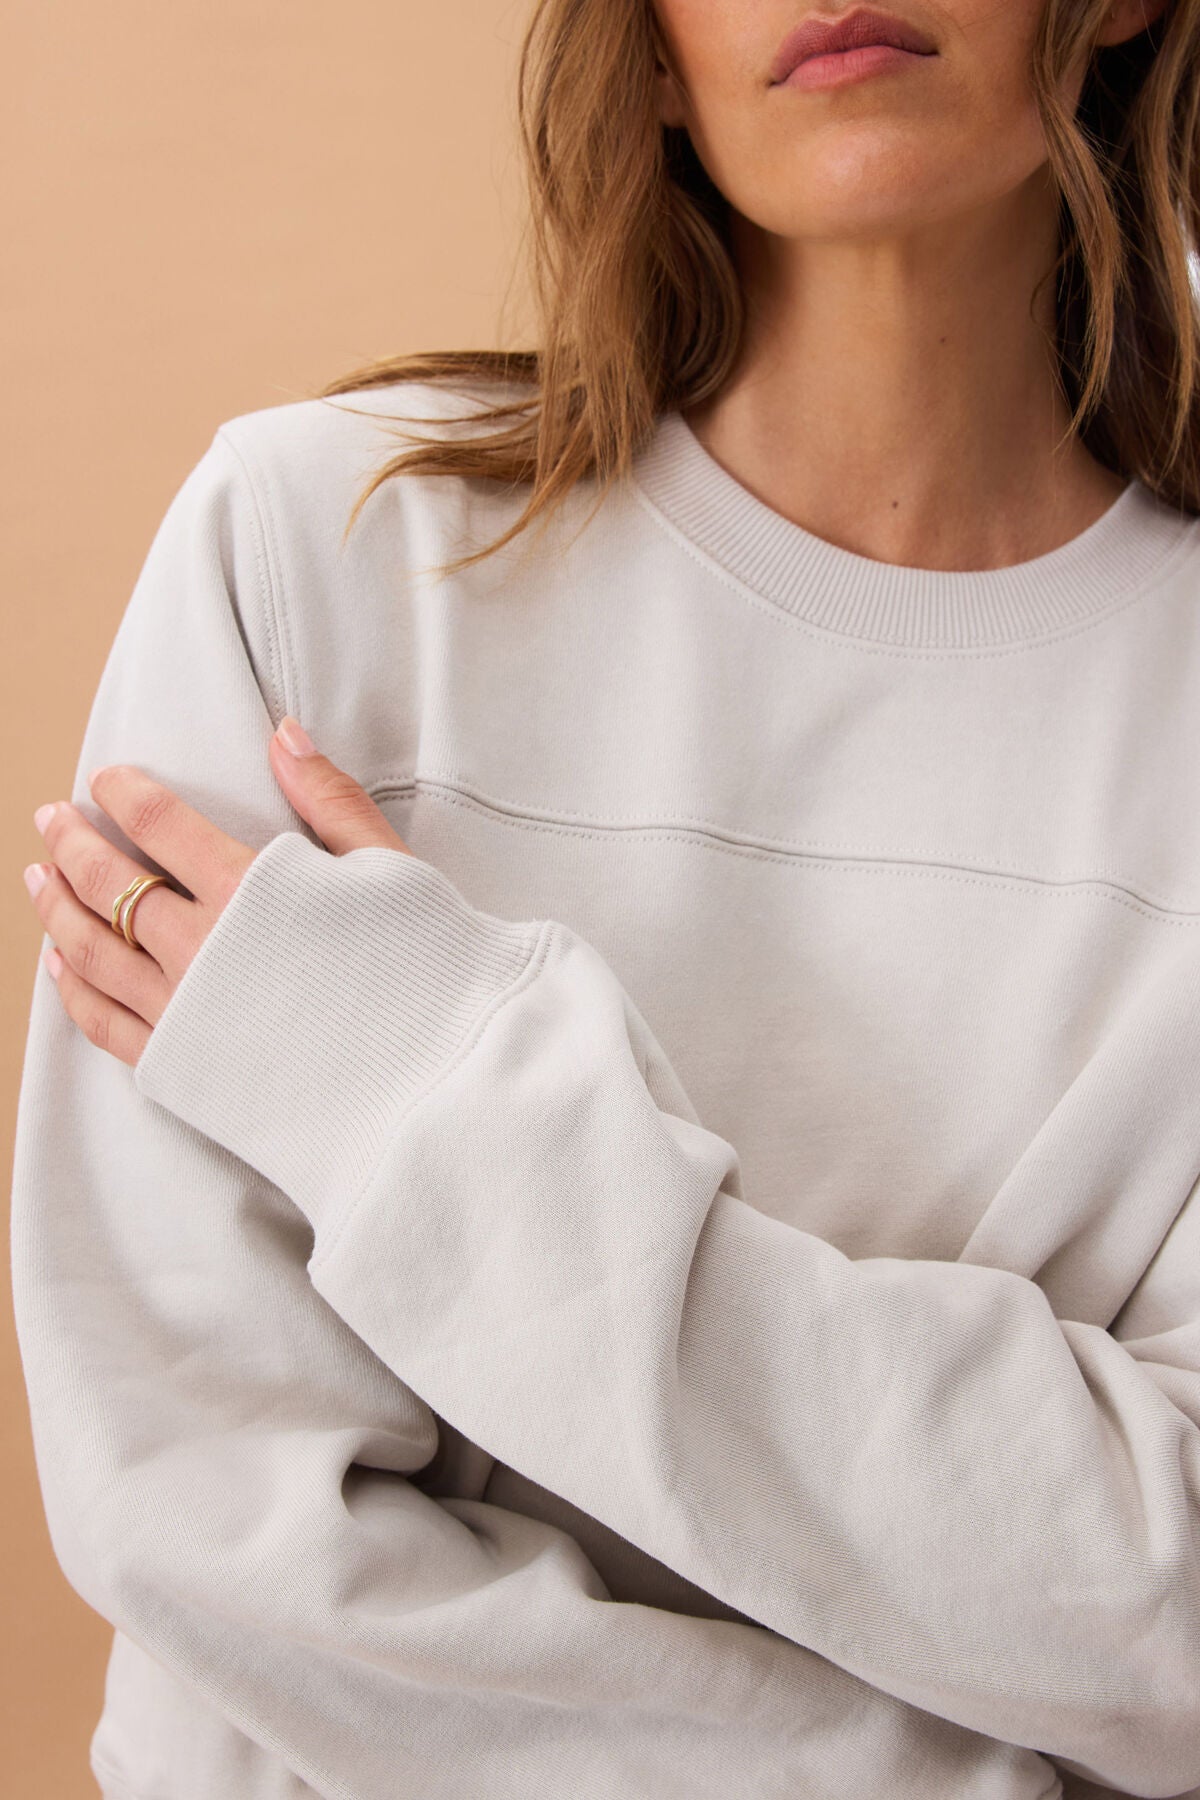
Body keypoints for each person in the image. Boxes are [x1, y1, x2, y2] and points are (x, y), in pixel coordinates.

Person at [12, 0, 1200, 1795]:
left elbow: (1164, 1605)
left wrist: (421, 1113)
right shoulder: (321, 560)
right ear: (648, 47)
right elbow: (219, 1526)